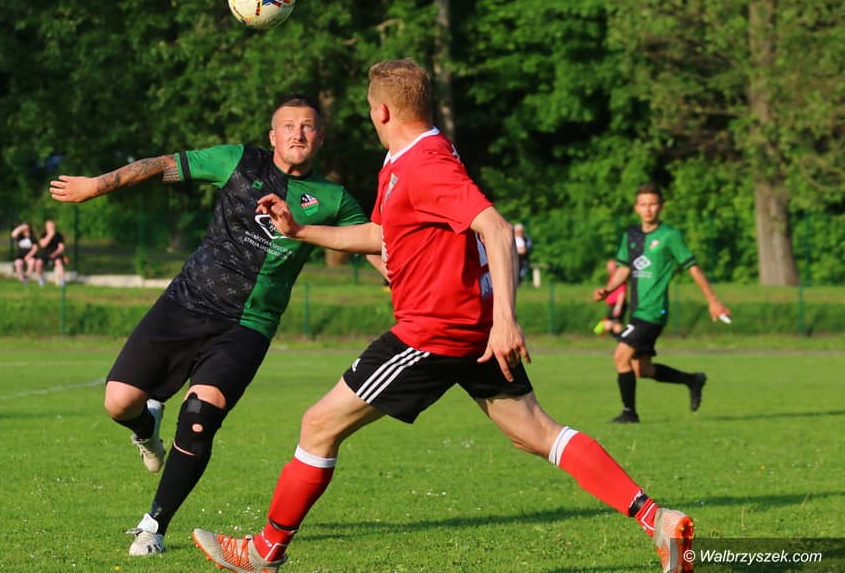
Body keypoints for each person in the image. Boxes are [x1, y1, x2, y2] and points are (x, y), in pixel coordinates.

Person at [192, 60, 695, 573]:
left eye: (370, 109)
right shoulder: (407, 157)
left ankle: (265, 551)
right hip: (467, 328)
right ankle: (657, 519)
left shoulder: (426, 164)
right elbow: (380, 235)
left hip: (432, 332)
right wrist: (301, 231)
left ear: (381, 111)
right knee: (535, 432)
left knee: (318, 424)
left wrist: (506, 320)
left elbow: (496, 229)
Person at [48, 94, 371, 558]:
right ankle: (146, 426)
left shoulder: (333, 198)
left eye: (307, 126)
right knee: (118, 402)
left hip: (247, 325)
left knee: (200, 417)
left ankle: (153, 526)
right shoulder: (236, 161)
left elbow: (373, 243)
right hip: (185, 302)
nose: (298, 133)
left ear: (319, 138)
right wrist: (96, 186)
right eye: (288, 126)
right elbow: (163, 165)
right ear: (273, 136)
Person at [593, 183, 731, 424]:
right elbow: (624, 268)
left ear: (661, 206)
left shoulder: (670, 236)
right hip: (636, 310)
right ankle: (692, 380)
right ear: (636, 208)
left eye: (653, 204)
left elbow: (693, 268)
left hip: (653, 310)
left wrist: (713, 300)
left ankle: (629, 413)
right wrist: (608, 289)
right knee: (641, 369)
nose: (648, 209)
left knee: (620, 357)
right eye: (643, 204)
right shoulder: (631, 235)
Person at [593, 258, 626, 337]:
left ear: (616, 267)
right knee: (615, 325)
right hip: (613, 305)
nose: (609, 269)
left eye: (611, 267)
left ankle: (625, 340)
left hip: (617, 305)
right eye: (608, 267)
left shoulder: (619, 278)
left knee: (612, 324)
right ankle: (622, 340)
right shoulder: (611, 278)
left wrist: (618, 306)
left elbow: (622, 293)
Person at [34, 220, 66, 287]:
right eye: (49, 226)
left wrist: (55, 253)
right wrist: (50, 236)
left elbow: (61, 247)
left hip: (55, 253)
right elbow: (42, 245)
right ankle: (41, 279)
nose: (51, 227)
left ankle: (62, 281)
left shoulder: (59, 235)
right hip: (45, 253)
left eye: (52, 226)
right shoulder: (43, 235)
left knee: (59, 262)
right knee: (38, 263)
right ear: (46, 227)